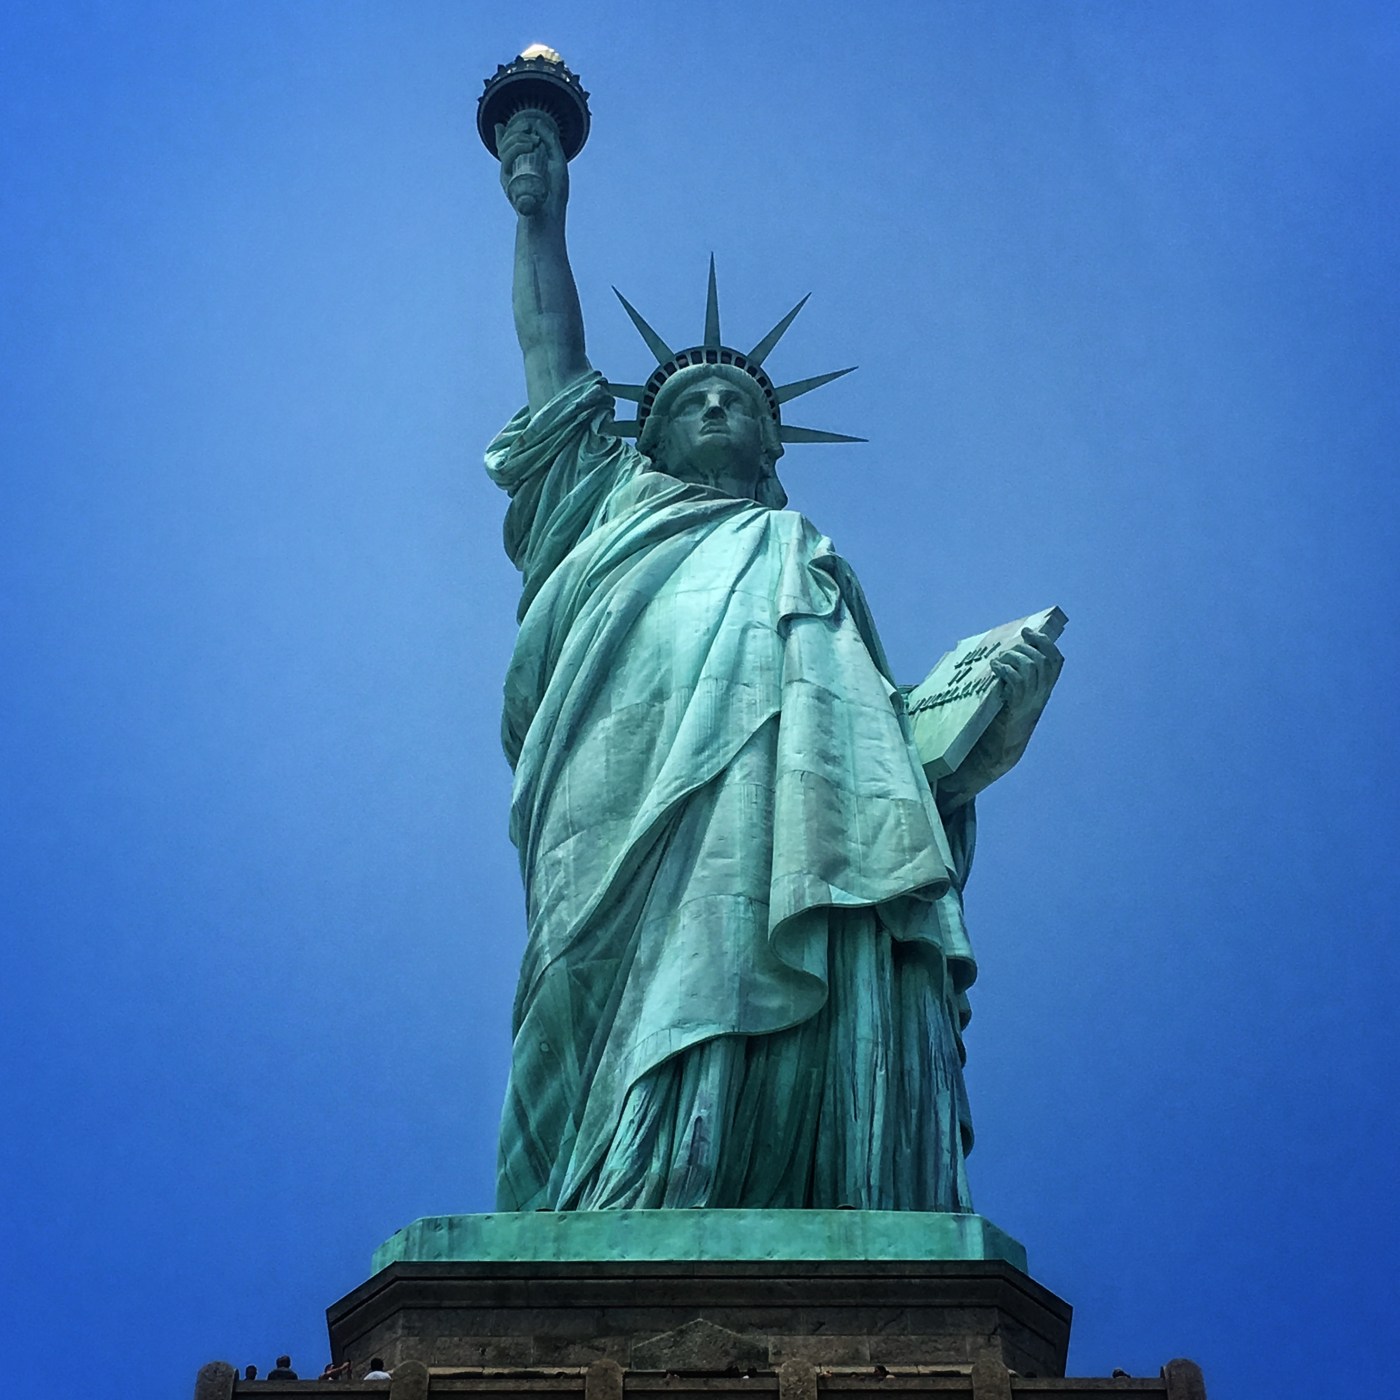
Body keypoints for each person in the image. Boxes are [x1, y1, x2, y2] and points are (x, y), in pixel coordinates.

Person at [487, 110, 1062, 1213]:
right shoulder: (601, 502)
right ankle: (589, 1201)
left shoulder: (802, 556)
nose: (714, 406)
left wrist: (977, 725)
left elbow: (876, 759)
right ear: (646, 438)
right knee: (577, 986)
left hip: (787, 804)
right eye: (687, 402)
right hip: (611, 776)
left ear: (768, 445)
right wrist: (540, 219)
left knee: (785, 929)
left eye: (737, 403)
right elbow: (550, 356)